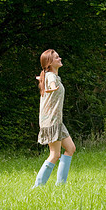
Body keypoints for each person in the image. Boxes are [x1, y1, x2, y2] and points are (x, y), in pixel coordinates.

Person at [33, 49, 76, 187]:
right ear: (50, 63)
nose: (60, 58)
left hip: (57, 121)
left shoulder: (50, 76)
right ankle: (38, 186)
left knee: (70, 148)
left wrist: (42, 79)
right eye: (57, 57)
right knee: (55, 154)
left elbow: (47, 79)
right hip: (51, 121)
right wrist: (51, 87)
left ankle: (60, 185)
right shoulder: (51, 76)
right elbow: (51, 83)